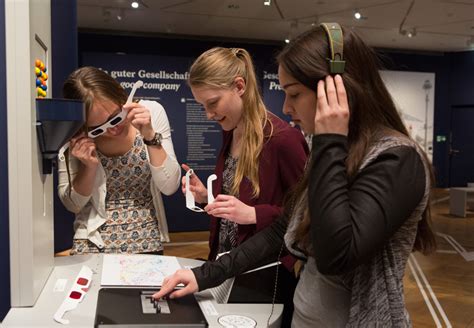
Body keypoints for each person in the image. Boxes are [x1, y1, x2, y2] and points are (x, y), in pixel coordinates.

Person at [153, 24, 437, 327]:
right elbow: (283, 229)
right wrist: (205, 275)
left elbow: (334, 256)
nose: (286, 108)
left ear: (338, 90)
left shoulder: (397, 158)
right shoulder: (334, 152)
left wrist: (329, 140)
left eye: (295, 94)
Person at [182, 47, 309, 324]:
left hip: (264, 275)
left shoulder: (283, 140)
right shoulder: (231, 131)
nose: (208, 114)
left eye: (212, 103)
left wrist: (254, 215)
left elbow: (304, 215)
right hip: (226, 268)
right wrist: (206, 197)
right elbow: (237, 203)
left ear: (239, 86)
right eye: (202, 106)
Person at [58, 66, 181, 255]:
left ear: (122, 97)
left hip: (145, 238)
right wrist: (88, 167)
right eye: (98, 128)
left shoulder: (150, 113)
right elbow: (74, 205)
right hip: (92, 241)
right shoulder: (77, 137)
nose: (112, 130)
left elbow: (170, 186)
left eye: (115, 117)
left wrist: (149, 135)